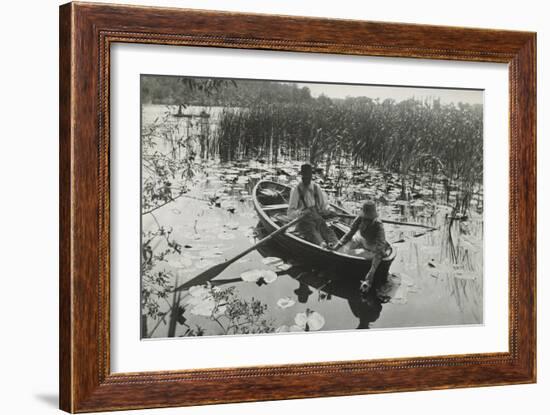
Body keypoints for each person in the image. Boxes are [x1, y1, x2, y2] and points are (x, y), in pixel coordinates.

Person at [332, 201, 390, 293]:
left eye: (369, 218)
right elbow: (349, 234)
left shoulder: (378, 225)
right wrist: (338, 245)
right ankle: (340, 255)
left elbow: (380, 249)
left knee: (351, 253)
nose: (367, 219)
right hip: (362, 240)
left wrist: (372, 271)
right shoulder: (360, 218)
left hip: (373, 247)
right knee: (342, 250)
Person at [287, 164, 338, 247]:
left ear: (311, 175)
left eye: (309, 175)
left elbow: (324, 206)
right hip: (304, 222)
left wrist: (330, 210)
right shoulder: (296, 190)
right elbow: (290, 213)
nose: (307, 178)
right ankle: (323, 246)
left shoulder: (316, 187)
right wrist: (301, 213)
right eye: (305, 176)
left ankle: (335, 246)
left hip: (318, 219)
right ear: (301, 175)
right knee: (320, 242)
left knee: (331, 236)